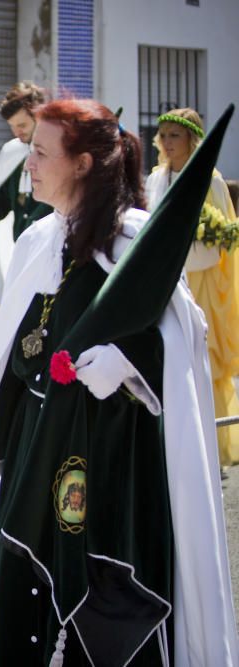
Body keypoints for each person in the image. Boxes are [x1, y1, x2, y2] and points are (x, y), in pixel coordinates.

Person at [0, 99, 238, 665]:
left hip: (105, 457)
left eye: (41, 153)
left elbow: (181, 339)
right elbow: (12, 350)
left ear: (81, 164)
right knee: (23, 582)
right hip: (34, 444)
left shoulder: (130, 241)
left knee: (93, 604)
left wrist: (127, 361)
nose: (28, 164)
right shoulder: (38, 240)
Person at [145, 108, 239, 467]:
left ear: (192, 140)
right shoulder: (155, 179)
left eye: (176, 136)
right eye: (163, 135)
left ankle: (209, 442)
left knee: (201, 358)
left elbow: (219, 246)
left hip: (199, 280)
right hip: (160, 281)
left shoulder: (210, 181)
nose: (168, 143)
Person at [0, 81, 52, 242]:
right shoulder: (14, 153)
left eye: (22, 125)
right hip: (23, 249)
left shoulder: (59, 154)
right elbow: (0, 205)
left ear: (39, 117)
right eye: (12, 126)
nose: (16, 132)